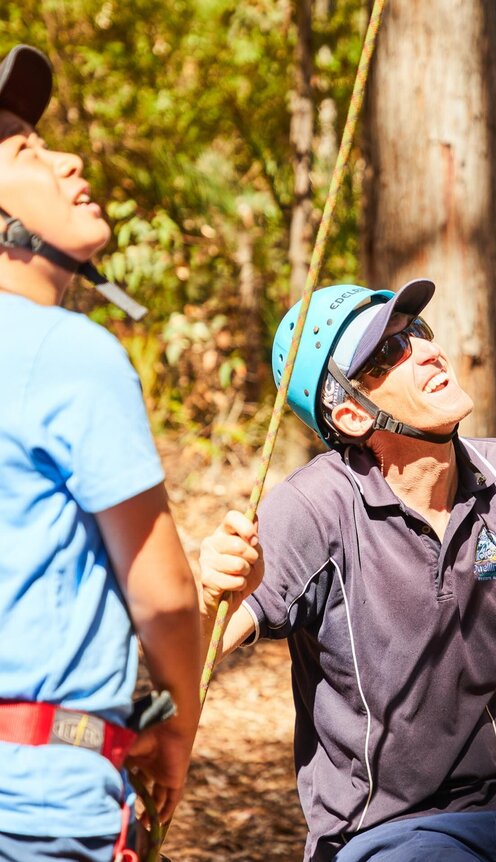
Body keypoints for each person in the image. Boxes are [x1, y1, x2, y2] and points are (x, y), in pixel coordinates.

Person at [199, 278, 496, 862]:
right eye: (389, 352)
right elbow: (194, 659)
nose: (426, 350)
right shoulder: (313, 508)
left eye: (417, 332)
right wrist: (207, 597)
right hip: (384, 837)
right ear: (349, 413)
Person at [0, 44, 201, 861]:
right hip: (36, 804)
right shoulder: (71, 354)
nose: (67, 157)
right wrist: (178, 722)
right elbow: (163, 596)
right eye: (23, 149)